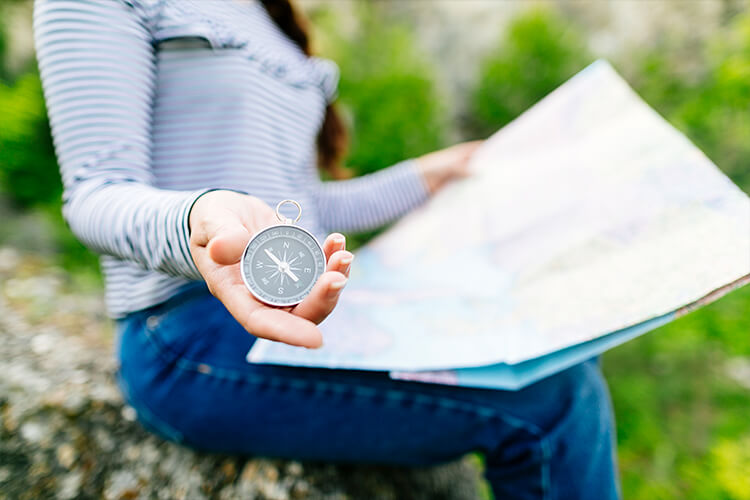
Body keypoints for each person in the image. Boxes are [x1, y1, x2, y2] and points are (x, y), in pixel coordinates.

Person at [34, 0, 620, 498]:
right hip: (190, 335)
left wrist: (424, 176)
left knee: (551, 352)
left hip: (310, 302)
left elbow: (297, 208)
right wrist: (197, 219)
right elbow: (96, 194)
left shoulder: (268, 17)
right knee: (552, 397)